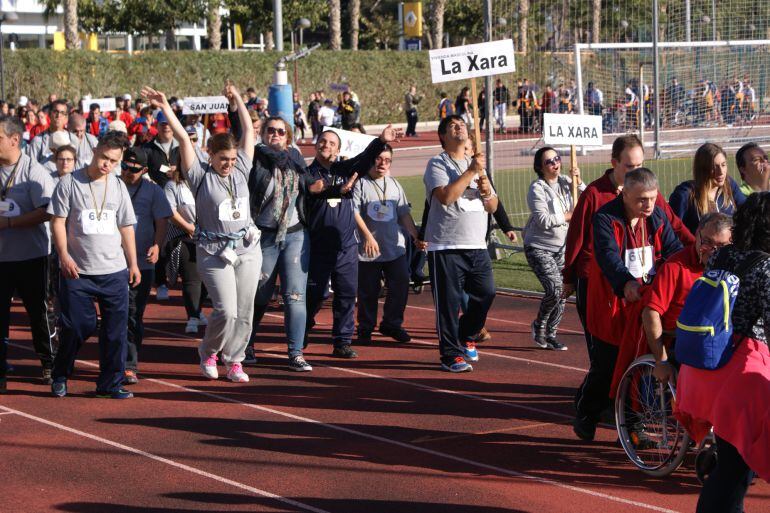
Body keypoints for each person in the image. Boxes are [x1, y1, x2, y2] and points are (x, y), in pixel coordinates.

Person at [142, 82, 258, 384]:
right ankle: (208, 351)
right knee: (226, 311)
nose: (228, 165)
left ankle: (235, 361)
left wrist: (238, 101)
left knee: (245, 311)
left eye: (232, 160)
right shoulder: (200, 176)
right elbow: (182, 136)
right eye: (223, 160)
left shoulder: (242, 168)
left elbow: (249, 132)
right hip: (214, 251)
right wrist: (165, 105)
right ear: (210, 156)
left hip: (247, 247)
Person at [675, 194, 770, 512]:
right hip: (741, 374)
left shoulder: (722, 256)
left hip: (705, 365)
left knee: (733, 466)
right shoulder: (766, 267)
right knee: (736, 471)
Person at [574, 168, 683, 441]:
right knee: (607, 365)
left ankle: (633, 428)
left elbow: (673, 250)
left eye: (652, 198)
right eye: (641, 200)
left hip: (645, 304)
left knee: (639, 366)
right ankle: (587, 412)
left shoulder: (656, 215)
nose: (647, 205)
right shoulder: (605, 218)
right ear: (624, 195)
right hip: (612, 304)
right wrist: (626, 283)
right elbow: (608, 256)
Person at [562, 135, 693, 358]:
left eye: (640, 165)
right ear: (615, 163)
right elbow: (579, 238)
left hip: (640, 288)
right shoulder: (595, 196)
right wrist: (569, 276)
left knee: (640, 349)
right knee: (605, 356)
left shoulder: (651, 197)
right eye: (630, 166)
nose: (635, 170)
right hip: (599, 282)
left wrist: (696, 252)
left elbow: (675, 229)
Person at [48, 131, 140, 399]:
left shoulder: (119, 186)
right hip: (78, 271)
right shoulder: (69, 183)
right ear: (95, 149)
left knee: (115, 332)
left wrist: (132, 263)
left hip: (114, 270)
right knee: (78, 325)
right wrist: (64, 255)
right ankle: (61, 373)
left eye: (113, 161)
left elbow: (126, 227)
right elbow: (58, 221)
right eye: (104, 157)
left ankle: (110, 384)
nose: (106, 165)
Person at [305, 126, 401, 359]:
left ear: (338, 150)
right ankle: (302, 326)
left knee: (347, 293)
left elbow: (364, 158)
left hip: (346, 245)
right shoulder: (307, 174)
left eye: (331, 143)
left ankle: (342, 341)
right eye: (323, 141)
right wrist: (337, 189)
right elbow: (315, 192)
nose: (326, 145)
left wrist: (380, 141)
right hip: (318, 246)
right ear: (316, 145)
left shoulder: (345, 169)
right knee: (316, 294)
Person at [423, 115, 498, 372]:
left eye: (462, 124)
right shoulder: (437, 164)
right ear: (443, 136)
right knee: (448, 304)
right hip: (446, 245)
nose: (460, 127)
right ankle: (450, 355)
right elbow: (446, 197)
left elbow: (493, 206)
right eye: (453, 126)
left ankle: (467, 333)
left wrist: (487, 190)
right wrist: (471, 172)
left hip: (476, 245)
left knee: (486, 293)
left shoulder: (475, 165)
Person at [246, 116, 314, 371]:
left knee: (295, 296)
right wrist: (235, 108)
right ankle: (246, 344)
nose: (275, 135)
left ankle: (296, 353)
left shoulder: (296, 160)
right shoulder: (255, 158)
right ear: (263, 134)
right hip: (264, 235)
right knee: (259, 294)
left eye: (280, 131)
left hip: (295, 234)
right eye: (271, 131)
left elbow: (309, 186)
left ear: (288, 137)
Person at [0, 115, 57, 393]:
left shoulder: (35, 171)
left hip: (31, 257)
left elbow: (48, 211)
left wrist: (9, 223)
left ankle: (49, 363)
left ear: (14, 139)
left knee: (38, 313)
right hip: (1, 258)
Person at [353, 143, 422, 343]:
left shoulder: (394, 184)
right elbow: (353, 212)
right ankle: (365, 327)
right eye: (379, 159)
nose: (383, 164)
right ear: (371, 159)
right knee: (368, 291)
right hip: (368, 250)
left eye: (388, 160)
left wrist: (415, 236)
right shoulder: (361, 184)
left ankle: (392, 324)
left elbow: (404, 214)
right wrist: (367, 236)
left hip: (394, 247)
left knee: (400, 284)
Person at [119, 147, 172, 385]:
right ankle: (114, 360)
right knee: (112, 315)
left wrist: (157, 246)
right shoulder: (111, 185)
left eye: (134, 169)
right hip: (109, 262)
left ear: (145, 170)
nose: (128, 172)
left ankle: (129, 365)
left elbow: (162, 220)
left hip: (142, 263)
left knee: (132, 315)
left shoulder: (153, 190)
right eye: (125, 167)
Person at [523, 147, 584, 351]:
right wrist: (569, 215)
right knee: (555, 288)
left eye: (557, 158)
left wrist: (579, 181)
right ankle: (539, 325)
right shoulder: (537, 188)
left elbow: (587, 200)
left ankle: (551, 334)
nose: (555, 163)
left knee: (565, 289)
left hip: (563, 248)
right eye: (549, 161)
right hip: (539, 247)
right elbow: (543, 220)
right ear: (540, 167)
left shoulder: (567, 183)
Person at [164, 159, 207, 335]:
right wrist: (189, 228)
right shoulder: (172, 185)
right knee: (192, 278)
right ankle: (193, 316)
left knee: (206, 280)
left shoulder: (207, 182)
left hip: (208, 236)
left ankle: (198, 309)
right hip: (183, 236)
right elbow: (170, 211)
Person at [668, 143, 746, 236]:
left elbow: (747, 212)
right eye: (714, 167)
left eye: (723, 165)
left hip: (731, 248)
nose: (721, 172)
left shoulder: (729, 185)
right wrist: (695, 246)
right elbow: (673, 233)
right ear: (702, 169)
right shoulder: (685, 195)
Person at [27, 99, 71, 164]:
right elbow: (31, 167)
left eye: (62, 113)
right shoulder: (38, 141)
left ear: (66, 118)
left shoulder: (73, 139)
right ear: (49, 115)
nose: (58, 115)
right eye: (56, 112)